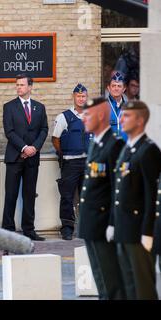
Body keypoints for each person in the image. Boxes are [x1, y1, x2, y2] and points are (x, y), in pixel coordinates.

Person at [108, 100, 161, 300]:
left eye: (127, 116)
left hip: (139, 231)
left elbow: (152, 195)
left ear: (139, 121)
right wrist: (113, 223)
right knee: (128, 285)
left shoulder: (149, 151)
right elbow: (118, 191)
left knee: (143, 287)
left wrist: (148, 232)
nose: (121, 119)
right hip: (124, 228)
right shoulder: (127, 148)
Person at [77, 97, 126, 300]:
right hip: (91, 223)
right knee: (99, 277)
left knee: (111, 280)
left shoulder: (114, 145)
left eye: (87, 114)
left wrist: (113, 223)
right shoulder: (96, 144)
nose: (83, 118)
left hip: (104, 222)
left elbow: (118, 189)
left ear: (100, 116)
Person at [2, 74, 48, 242]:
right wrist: (24, 147)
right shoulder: (9, 107)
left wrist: (34, 148)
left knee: (29, 195)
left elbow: (44, 129)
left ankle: (29, 230)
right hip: (15, 157)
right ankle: (8, 231)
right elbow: (9, 131)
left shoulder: (39, 107)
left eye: (22, 85)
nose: (18, 87)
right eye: (17, 85)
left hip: (32, 158)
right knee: (11, 195)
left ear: (30, 87)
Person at [52, 84, 90, 240]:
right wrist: (63, 154)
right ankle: (67, 228)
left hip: (88, 162)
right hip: (70, 162)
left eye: (83, 96)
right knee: (67, 197)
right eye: (78, 96)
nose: (81, 99)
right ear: (73, 97)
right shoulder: (63, 117)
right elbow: (55, 139)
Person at [107, 72, 128, 141]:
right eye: (113, 86)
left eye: (119, 86)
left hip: (124, 149)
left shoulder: (129, 108)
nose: (116, 88)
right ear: (109, 88)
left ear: (124, 89)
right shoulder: (102, 108)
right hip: (109, 150)